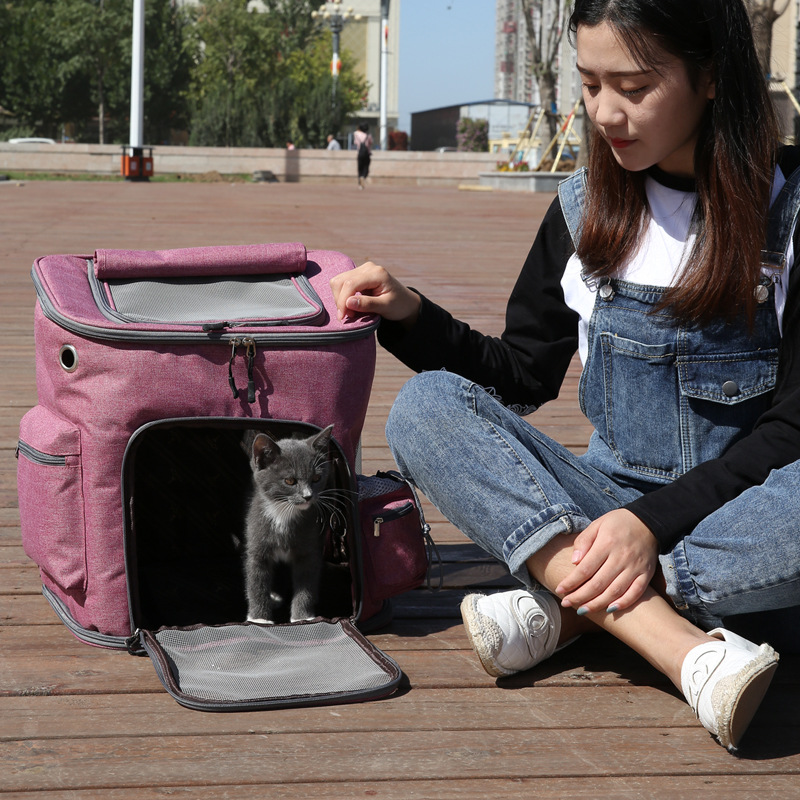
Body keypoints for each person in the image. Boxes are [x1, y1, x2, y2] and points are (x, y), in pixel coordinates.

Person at [330, 0, 800, 752]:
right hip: (599, 511)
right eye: (589, 84)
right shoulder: (585, 209)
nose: (606, 113)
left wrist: (650, 528)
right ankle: (680, 647)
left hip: (738, 526)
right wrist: (410, 314)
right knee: (424, 408)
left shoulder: (790, 208)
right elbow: (521, 374)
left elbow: (791, 429)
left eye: (634, 87)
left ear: (711, 75)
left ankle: (574, 605)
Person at [353, 123, 373, 189]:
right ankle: (363, 176)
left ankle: (360, 185)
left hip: (360, 153)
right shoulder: (368, 135)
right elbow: (371, 142)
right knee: (366, 168)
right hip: (367, 154)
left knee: (360, 169)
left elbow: (355, 142)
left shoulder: (357, 135)